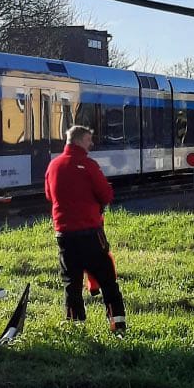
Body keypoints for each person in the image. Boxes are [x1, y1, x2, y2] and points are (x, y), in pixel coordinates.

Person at [44, 125, 126, 334]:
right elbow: (106, 194)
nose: (91, 144)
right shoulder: (88, 165)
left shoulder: (53, 166)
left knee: (71, 282)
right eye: (89, 140)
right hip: (90, 233)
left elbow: (48, 195)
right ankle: (117, 325)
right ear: (81, 140)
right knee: (108, 280)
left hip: (64, 235)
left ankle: (75, 325)